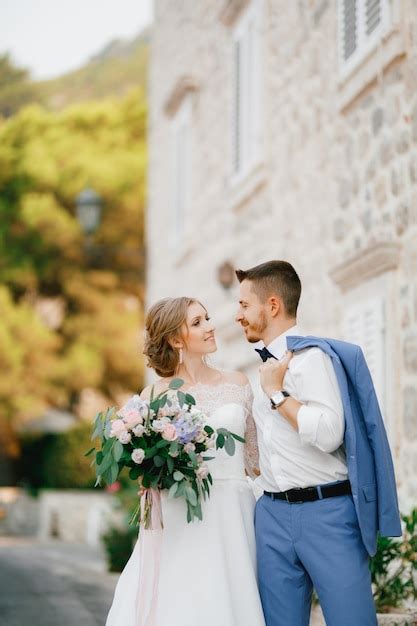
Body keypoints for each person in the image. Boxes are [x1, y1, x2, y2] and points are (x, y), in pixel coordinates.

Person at [235, 260, 402, 626]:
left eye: (245, 305)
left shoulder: (313, 359)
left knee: (351, 620)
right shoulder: (260, 369)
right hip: (272, 514)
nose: (238, 315)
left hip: (327, 513)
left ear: (273, 305)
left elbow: (329, 434)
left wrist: (277, 394)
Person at [105, 296, 265, 626]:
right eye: (198, 322)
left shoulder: (238, 383)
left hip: (233, 513)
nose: (210, 326)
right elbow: (144, 471)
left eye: (207, 318)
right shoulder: (153, 397)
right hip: (181, 514)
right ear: (176, 340)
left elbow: (256, 460)